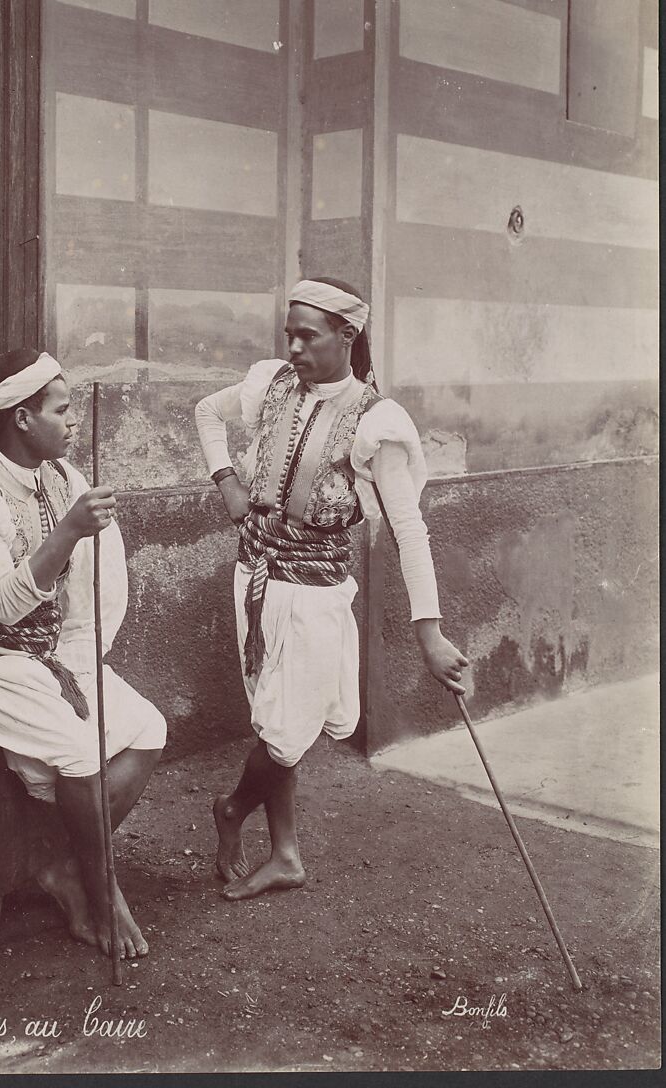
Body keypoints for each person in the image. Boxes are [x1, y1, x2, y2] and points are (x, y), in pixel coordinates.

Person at [195, 277, 468, 901]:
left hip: (317, 591)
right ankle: (286, 852)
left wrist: (429, 631)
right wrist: (228, 484)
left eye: (307, 336)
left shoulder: (377, 423)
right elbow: (206, 412)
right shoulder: (272, 385)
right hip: (256, 577)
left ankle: (234, 807)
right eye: (288, 334)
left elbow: (407, 527)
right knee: (276, 719)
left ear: (348, 336)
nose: (293, 348)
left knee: (287, 725)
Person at [0, 349, 165, 958]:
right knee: (79, 753)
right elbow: (1, 605)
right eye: (63, 408)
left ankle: (62, 863)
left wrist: (82, 653)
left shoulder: (62, 479)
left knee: (148, 729)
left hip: (48, 656)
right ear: (22, 418)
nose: (73, 420)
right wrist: (69, 531)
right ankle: (100, 890)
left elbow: (87, 590)